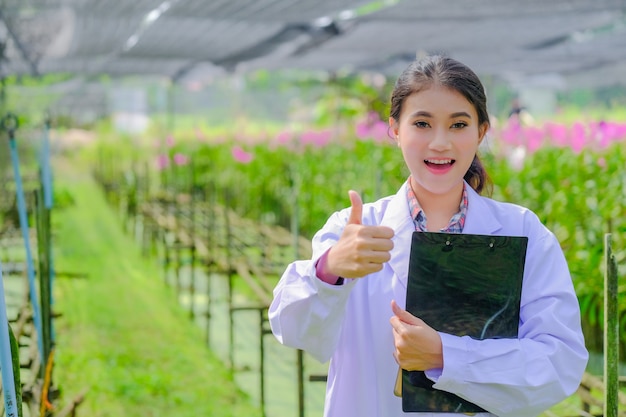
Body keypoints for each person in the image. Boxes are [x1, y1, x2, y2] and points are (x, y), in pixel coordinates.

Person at [268, 55, 588, 417]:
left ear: (481, 132)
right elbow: (292, 328)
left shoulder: (524, 234)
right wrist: (330, 270)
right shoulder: (353, 230)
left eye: (458, 125)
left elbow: (558, 363)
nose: (440, 143)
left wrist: (445, 355)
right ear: (395, 129)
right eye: (422, 123)